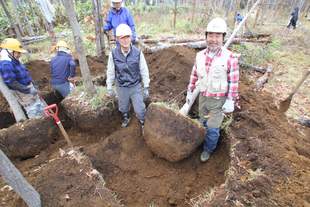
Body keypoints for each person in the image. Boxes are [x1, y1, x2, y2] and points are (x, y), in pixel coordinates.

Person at [186, 18, 239, 162]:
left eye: (217, 36)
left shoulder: (230, 58)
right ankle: (199, 142)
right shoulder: (200, 56)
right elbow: (194, 74)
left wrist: (230, 100)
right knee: (202, 121)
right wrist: (190, 91)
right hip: (203, 97)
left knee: (212, 128)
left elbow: (233, 82)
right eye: (211, 35)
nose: (213, 39)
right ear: (206, 37)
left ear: (223, 38)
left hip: (218, 100)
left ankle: (208, 150)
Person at [106, 24, 150, 128]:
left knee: (140, 110)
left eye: (127, 37)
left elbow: (144, 70)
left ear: (131, 37)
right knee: (123, 107)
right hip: (121, 86)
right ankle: (126, 117)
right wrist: (109, 86)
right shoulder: (113, 54)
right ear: (118, 39)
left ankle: (143, 122)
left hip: (135, 85)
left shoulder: (138, 53)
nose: (125, 40)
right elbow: (111, 71)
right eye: (122, 38)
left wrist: (146, 86)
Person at [0, 38, 46, 119]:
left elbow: (24, 73)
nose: (19, 54)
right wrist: (28, 90)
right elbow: (11, 82)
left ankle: (45, 120)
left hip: (28, 86)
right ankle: (38, 125)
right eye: (18, 52)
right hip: (22, 92)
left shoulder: (14, 59)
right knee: (33, 109)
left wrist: (33, 85)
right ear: (10, 51)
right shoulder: (6, 64)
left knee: (40, 106)